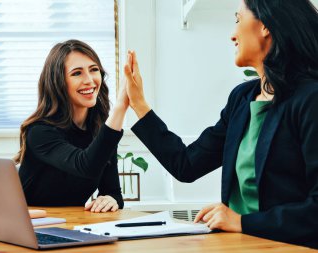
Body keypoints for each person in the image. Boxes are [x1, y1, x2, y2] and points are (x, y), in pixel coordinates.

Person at [123, 0, 318, 248]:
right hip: (237, 245)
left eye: (238, 19)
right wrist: (139, 104)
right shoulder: (242, 98)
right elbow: (187, 165)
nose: (232, 35)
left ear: (265, 25)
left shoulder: (310, 99)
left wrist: (241, 222)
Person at [15, 39, 129, 212]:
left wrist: (110, 199)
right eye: (77, 73)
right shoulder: (39, 131)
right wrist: (121, 107)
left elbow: (113, 192)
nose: (89, 80)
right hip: (27, 227)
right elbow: (85, 166)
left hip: (71, 225)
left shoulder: (99, 130)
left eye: (94, 70)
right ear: (58, 81)